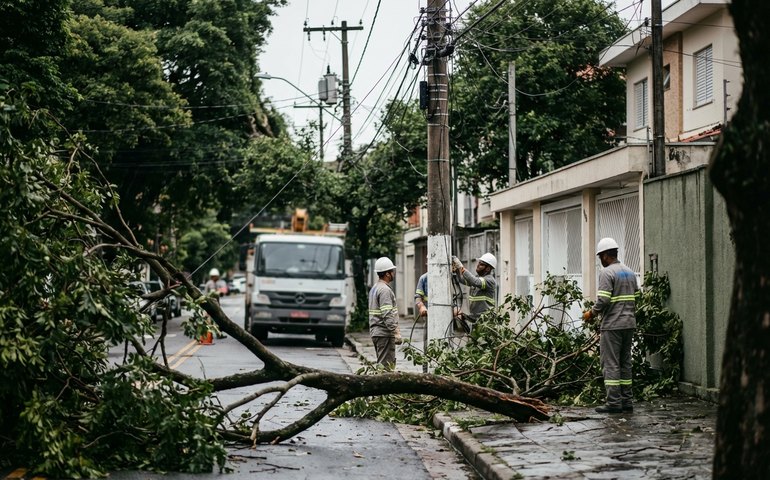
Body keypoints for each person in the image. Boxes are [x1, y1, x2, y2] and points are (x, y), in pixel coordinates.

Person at [583, 237, 639, 414]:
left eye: (600, 256)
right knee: (625, 363)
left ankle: (614, 402)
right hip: (629, 324)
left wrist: (591, 313)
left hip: (613, 325)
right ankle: (627, 401)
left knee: (611, 364)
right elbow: (635, 293)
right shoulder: (629, 272)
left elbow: (604, 299)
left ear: (606, 255)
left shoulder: (607, 273)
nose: (601, 260)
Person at [451, 253, 498, 331]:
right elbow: (462, 280)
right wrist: (456, 271)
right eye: (478, 263)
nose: (478, 265)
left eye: (481, 264)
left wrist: (461, 267)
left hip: (486, 321)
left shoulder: (490, 280)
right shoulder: (478, 279)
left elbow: (475, 282)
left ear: (488, 269)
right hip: (476, 320)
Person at [368, 257, 399, 369]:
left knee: (382, 365)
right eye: (392, 271)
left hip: (377, 332)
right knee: (385, 368)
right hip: (384, 334)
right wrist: (395, 332)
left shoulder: (375, 288)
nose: (393, 273)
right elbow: (387, 314)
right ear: (387, 274)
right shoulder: (384, 290)